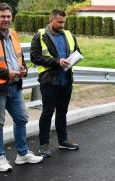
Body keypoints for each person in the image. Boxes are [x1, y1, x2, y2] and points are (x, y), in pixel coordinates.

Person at [0, 3, 43, 172]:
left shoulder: (13, 34)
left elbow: (19, 57)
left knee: (21, 119)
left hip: (15, 86)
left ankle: (22, 154)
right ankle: (0, 158)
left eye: (8, 16)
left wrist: (23, 70)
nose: (6, 19)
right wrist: (6, 73)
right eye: (2, 16)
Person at [30, 9, 81, 158]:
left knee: (62, 113)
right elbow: (35, 57)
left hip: (66, 80)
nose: (62, 24)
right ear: (50, 20)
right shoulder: (40, 36)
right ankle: (44, 144)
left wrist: (74, 58)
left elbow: (77, 51)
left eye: (64, 22)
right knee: (47, 113)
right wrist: (56, 62)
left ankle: (63, 141)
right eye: (59, 22)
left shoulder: (69, 35)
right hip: (49, 81)